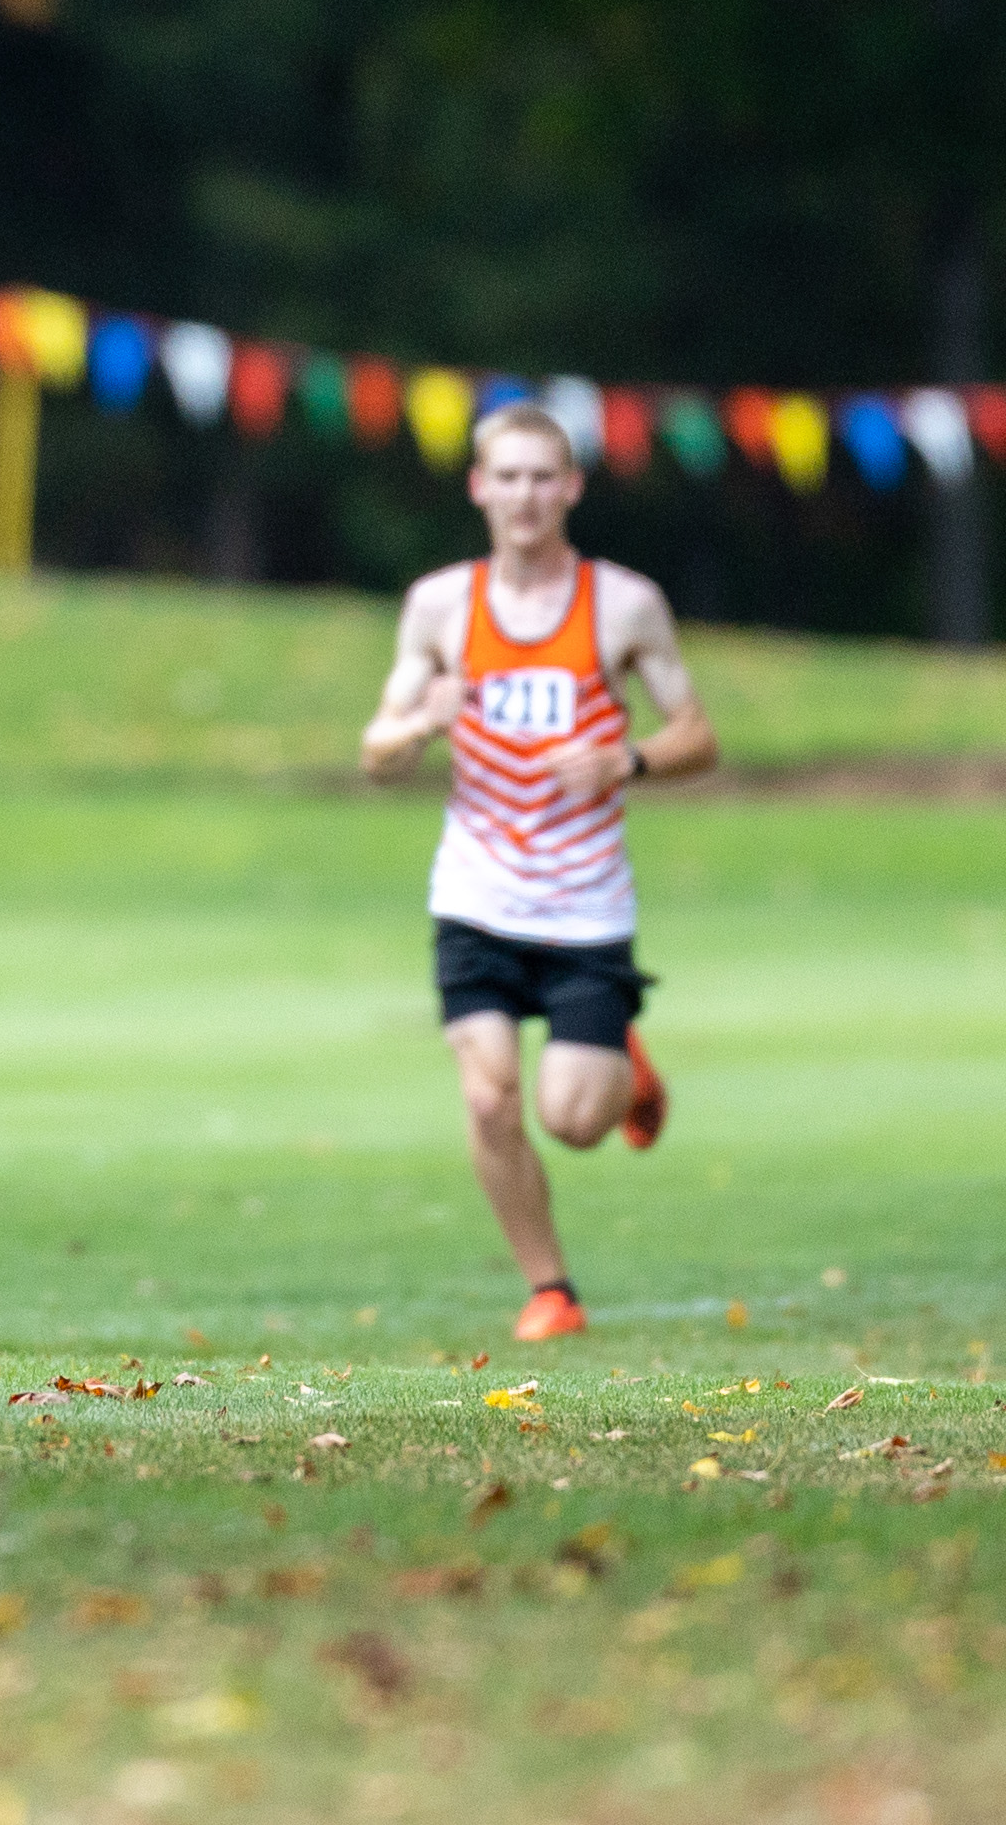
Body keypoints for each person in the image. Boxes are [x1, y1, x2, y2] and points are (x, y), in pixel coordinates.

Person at [359, 400, 716, 1343]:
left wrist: (625, 760)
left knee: (571, 1120)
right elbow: (375, 752)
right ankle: (549, 1290)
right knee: (487, 1097)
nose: (523, 496)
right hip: (475, 895)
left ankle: (622, 1069)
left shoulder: (622, 603)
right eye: (506, 477)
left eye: (540, 477)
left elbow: (697, 735)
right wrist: (421, 721)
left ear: (571, 488)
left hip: (583, 906)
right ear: (478, 488)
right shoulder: (440, 605)